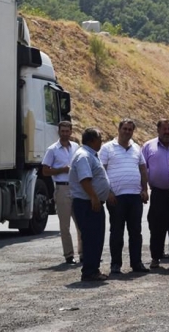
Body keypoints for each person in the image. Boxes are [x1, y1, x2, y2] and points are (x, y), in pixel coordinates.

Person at [100, 118, 150, 274]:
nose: (127, 132)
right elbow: (101, 172)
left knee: (136, 232)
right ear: (119, 129)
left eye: (130, 129)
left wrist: (144, 189)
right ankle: (115, 264)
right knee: (116, 232)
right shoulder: (107, 148)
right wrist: (107, 192)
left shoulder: (136, 148)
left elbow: (142, 169)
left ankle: (137, 263)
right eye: (125, 129)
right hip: (116, 198)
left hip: (135, 197)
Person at [69, 127, 114, 282]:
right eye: (100, 138)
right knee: (91, 238)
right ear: (92, 140)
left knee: (96, 237)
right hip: (87, 203)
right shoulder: (83, 156)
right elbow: (84, 179)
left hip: (92, 202)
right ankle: (89, 272)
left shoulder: (91, 155)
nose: (102, 140)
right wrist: (94, 197)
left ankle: (93, 269)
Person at [41, 120, 81, 265]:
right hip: (62, 187)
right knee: (65, 225)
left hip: (76, 187)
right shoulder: (52, 149)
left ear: (71, 132)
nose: (65, 134)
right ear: (59, 132)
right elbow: (45, 170)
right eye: (62, 131)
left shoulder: (76, 147)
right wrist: (61, 170)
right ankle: (69, 255)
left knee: (81, 222)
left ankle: (83, 253)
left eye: (67, 131)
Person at [141, 118, 169, 269]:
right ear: (158, 130)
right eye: (164, 129)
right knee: (156, 226)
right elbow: (142, 169)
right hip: (157, 193)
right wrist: (143, 189)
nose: (167, 132)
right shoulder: (148, 146)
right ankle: (156, 257)